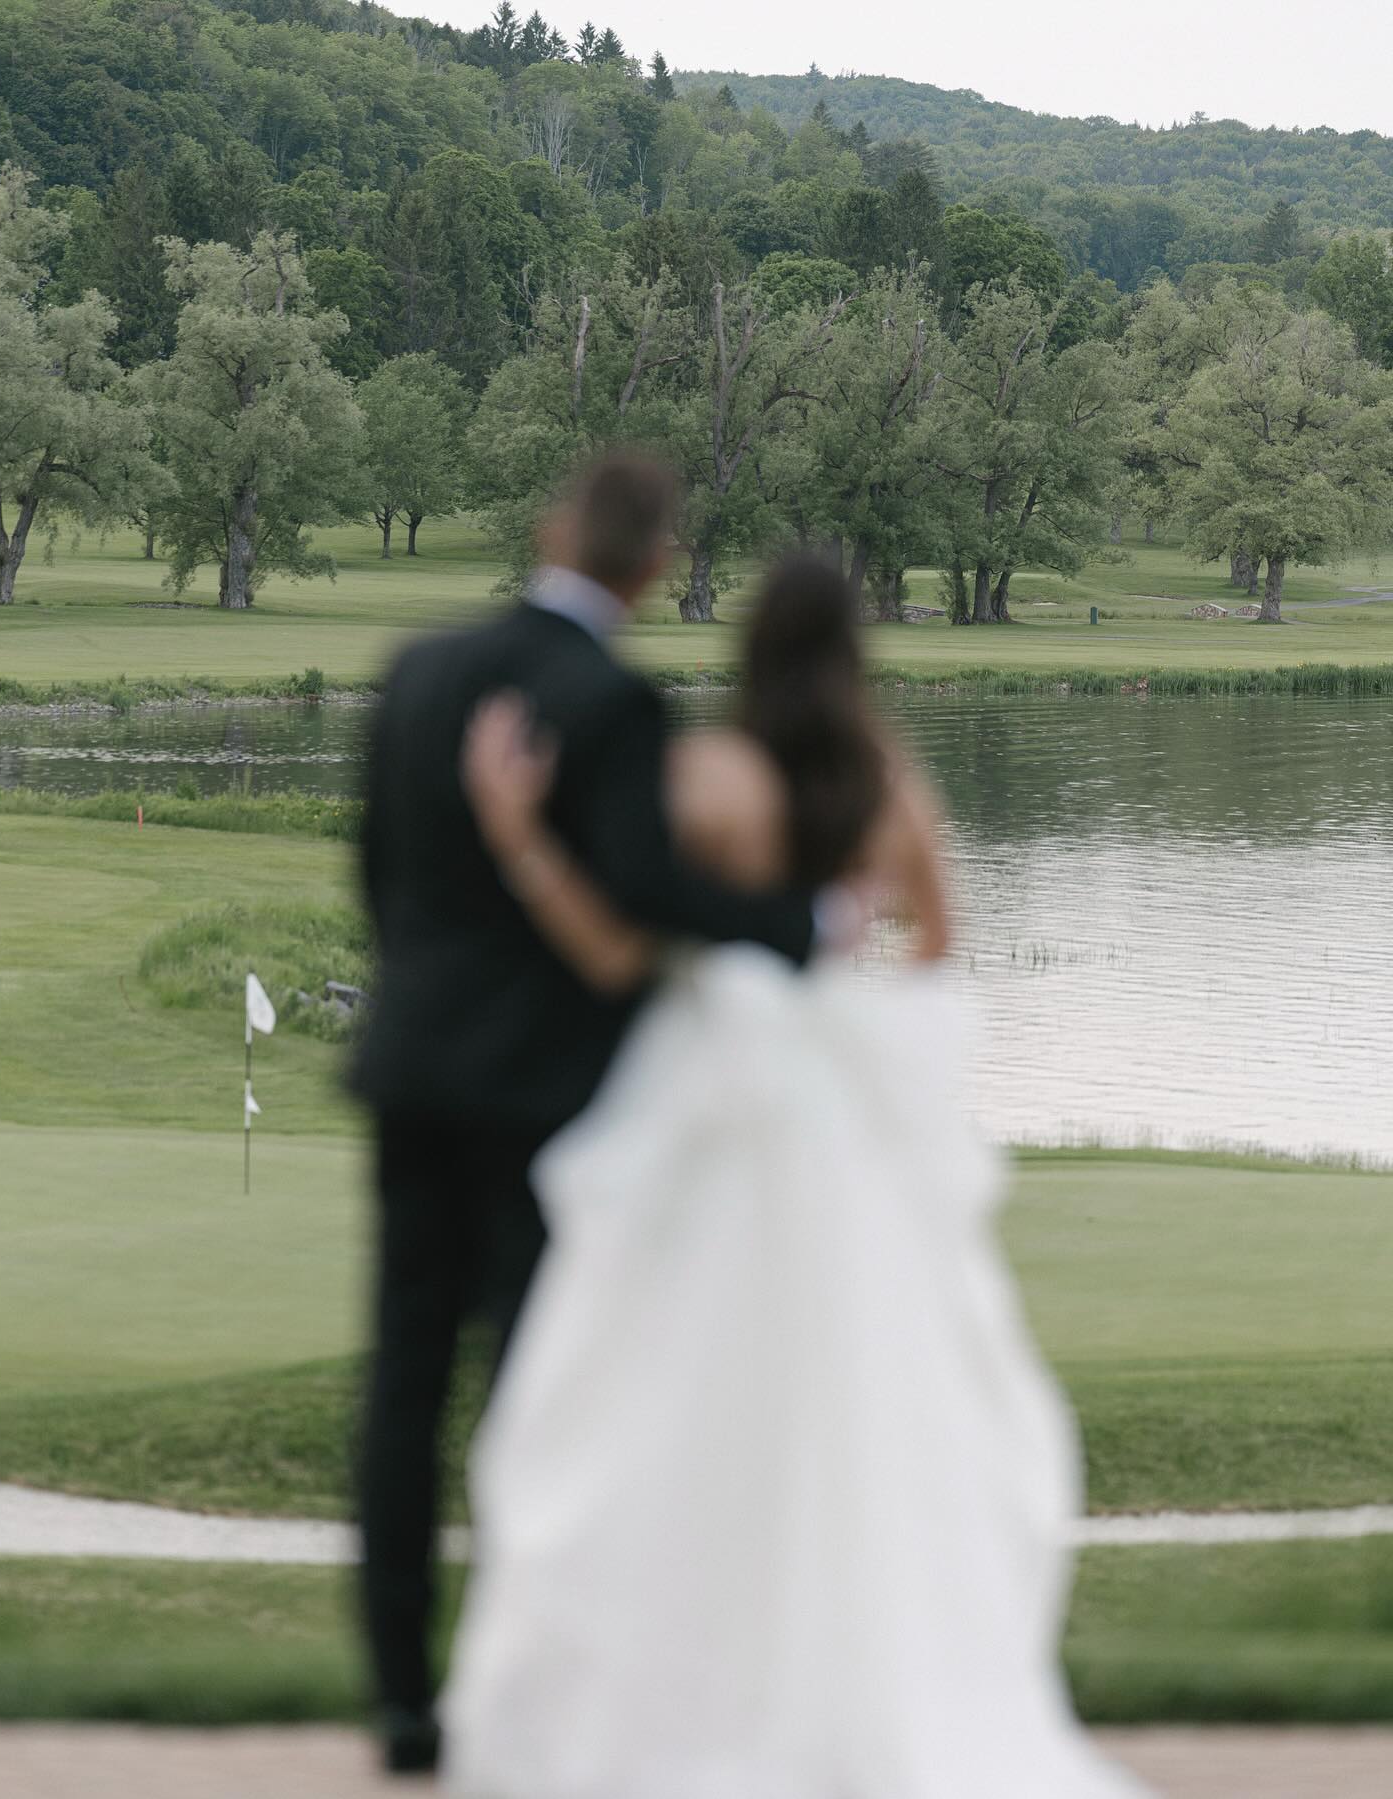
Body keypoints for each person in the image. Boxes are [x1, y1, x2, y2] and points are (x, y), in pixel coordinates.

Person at [441, 555, 1147, 1798]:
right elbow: (941, 946)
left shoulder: (708, 774)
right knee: (865, 1376)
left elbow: (625, 939)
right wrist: (850, 1017)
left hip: (713, 1098)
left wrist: (518, 837)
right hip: (831, 1117)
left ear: (752, 650)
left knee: (663, 1381)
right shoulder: (884, 779)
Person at [348, 456, 833, 1774]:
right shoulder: (611, 700)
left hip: (411, 1067)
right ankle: (521, 1682)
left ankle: (402, 1695)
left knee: (402, 1380)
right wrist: (800, 923)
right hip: (536, 1091)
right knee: (531, 1387)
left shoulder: (420, 668)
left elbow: (380, 873)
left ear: (554, 531)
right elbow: (643, 886)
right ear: (654, 564)